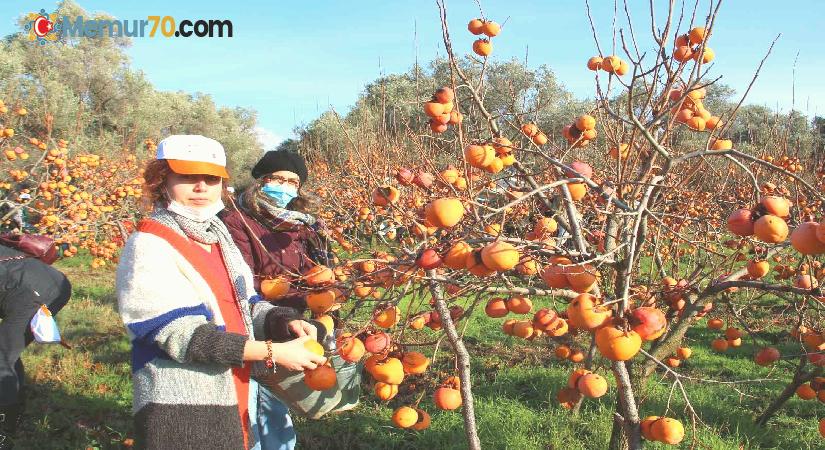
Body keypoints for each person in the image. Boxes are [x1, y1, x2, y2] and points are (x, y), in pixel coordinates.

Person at [115, 135, 325, 449]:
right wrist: (272, 351)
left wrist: (283, 321)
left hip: (230, 387)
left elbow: (247, 302)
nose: (201, 187)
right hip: (184, 403)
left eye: (211, 178)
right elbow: (180, 334)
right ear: (162, 180)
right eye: (187, 177)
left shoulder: (217, 235)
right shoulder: (150, 244)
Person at [222, 150, 356, 450]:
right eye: (277, 179)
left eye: (292, 182)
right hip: (254, 321)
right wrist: (305, 297)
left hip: (294, 326)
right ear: (261, 181)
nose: (284, 187)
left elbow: (318, 272)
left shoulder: (305, 226)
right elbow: (240, 280)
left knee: (275, 408)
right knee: (253, 408)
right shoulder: (237, 221)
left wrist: (331, 292)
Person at [0, 244, 71, 450]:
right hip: (43, 283)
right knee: (7, 350)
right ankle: (15, 413)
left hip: (33, 290)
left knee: (2, 356)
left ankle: (5, 433)